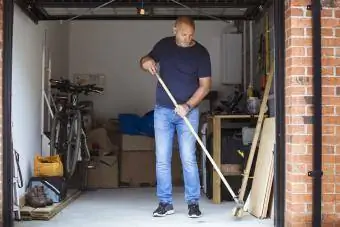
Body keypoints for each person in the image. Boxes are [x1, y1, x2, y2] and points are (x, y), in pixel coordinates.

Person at [139, 16, 212, 218]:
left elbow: (205, 86)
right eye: (183, 34)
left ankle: (193, 203)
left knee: (188, 158)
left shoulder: (201, 53)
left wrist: (187, 105)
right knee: (162, 158)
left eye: (190, 35)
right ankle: (165, 203)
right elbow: (145, 59)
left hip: (188, 112)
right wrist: (147, 63)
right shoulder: (164, 46)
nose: (187, 38)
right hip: (162, 111)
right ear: (174, 30)